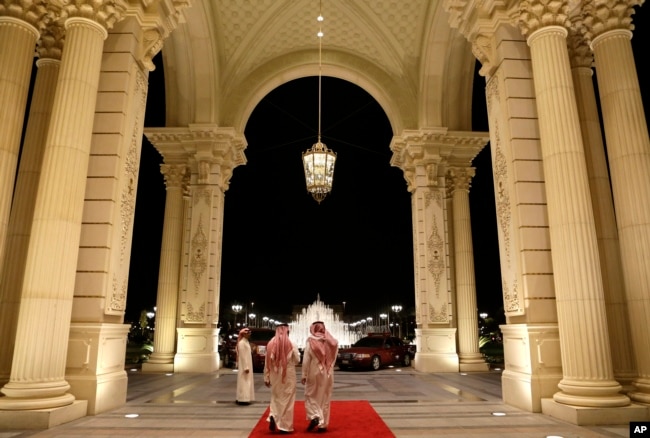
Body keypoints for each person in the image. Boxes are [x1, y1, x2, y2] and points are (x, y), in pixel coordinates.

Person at [301, 321, 339, 432]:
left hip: (315, 371)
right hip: (328, 373)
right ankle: (323, 425)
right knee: (325, 397)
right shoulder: (332, 342)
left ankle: (315, 416)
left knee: (310, 395)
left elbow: (306, 360)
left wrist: (304, 374)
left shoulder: (311, 341)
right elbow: (334, 359)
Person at [264, 323, 301, 433]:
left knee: (276, 396)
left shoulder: (271, 343)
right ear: (287, 331)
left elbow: (267, 362)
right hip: (288, 374)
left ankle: (273, 415)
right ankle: (285, 426)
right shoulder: (291, 343)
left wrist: (266, 376)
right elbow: (297, 360)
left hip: (274, 374)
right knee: (288, 398)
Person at [235, 327, 255, 405]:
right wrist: (246, 367)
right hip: (244, 365)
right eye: (248, 333)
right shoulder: (242, 343)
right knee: (244, 381)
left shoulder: (246, 342)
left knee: (247, 381)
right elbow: (243, 356)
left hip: (248, 364)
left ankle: (246, 398)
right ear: (244, 334)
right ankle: (242, 398)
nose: (250, 335)